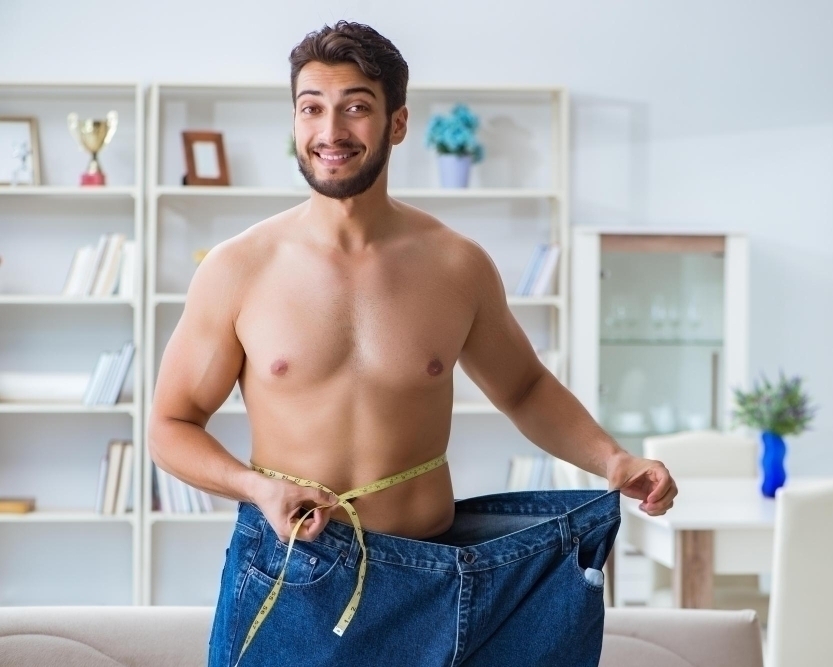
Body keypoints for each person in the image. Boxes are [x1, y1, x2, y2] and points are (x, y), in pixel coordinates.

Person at [148, 20, 677, 667]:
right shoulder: (238, 268)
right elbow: (170, 424)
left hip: (440, 578)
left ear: (397, 123)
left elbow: (524, 386)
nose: (331, 131)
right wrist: (254, 487)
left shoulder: (457, 266)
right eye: (311, 108)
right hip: (293, 572)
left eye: (356, 108)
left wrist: (612, 460)